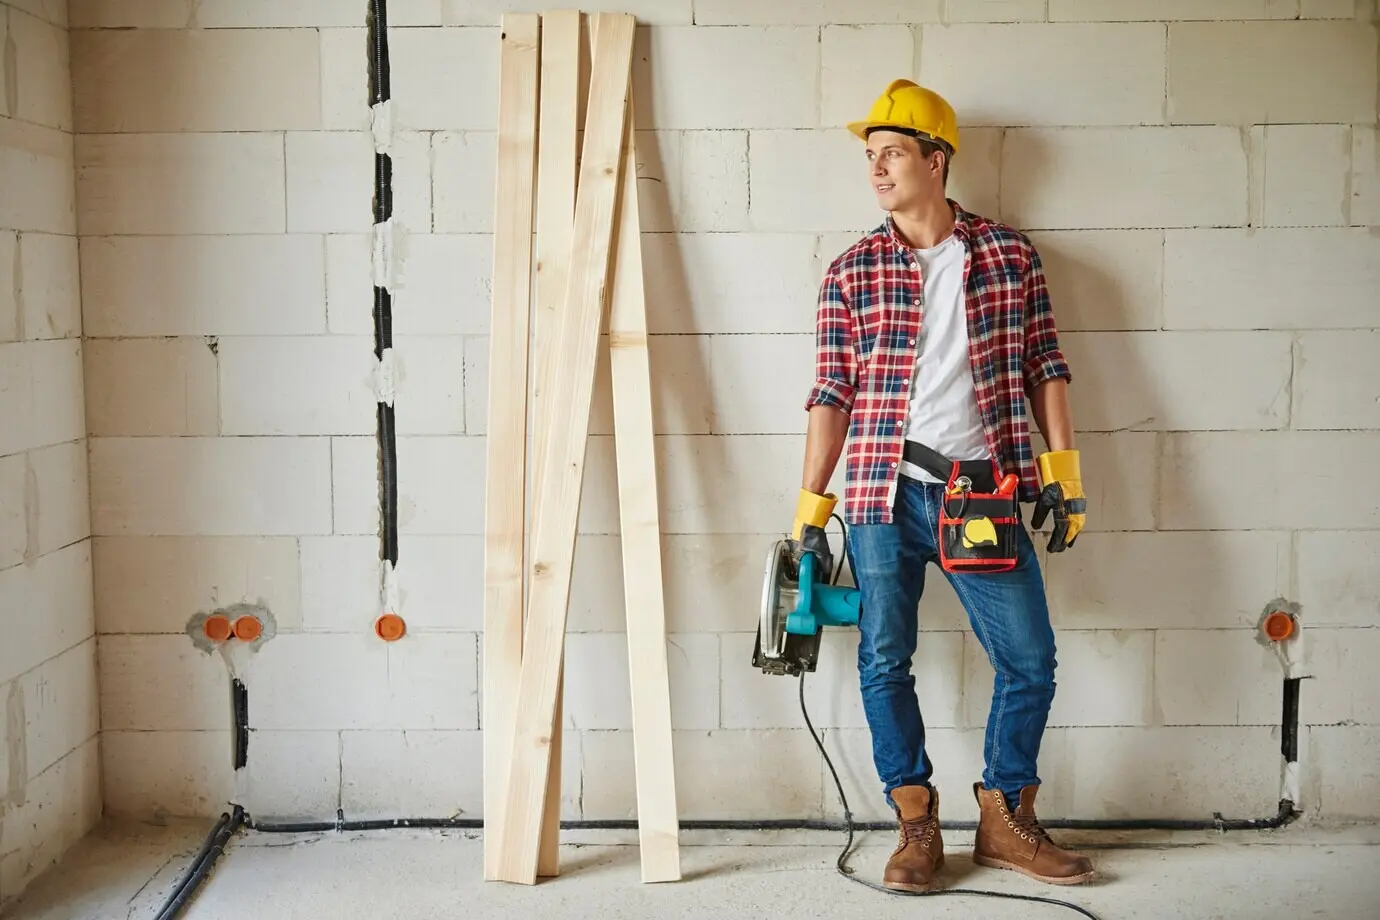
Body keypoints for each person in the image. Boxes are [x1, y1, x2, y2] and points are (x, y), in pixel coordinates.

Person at [791, 80, 1094, 892]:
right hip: (880, 498)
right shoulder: (851, 271)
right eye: (870, 156)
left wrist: (1064, 476)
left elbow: (1045, 366)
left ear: (936, 160)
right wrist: (809, 510)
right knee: (884, 660)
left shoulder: (1008, 257)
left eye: (892, 153)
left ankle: (1004, 820)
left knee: (1029, 660)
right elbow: (832, 394)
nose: (876, 169)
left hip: (981, 493)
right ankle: (915, 825)